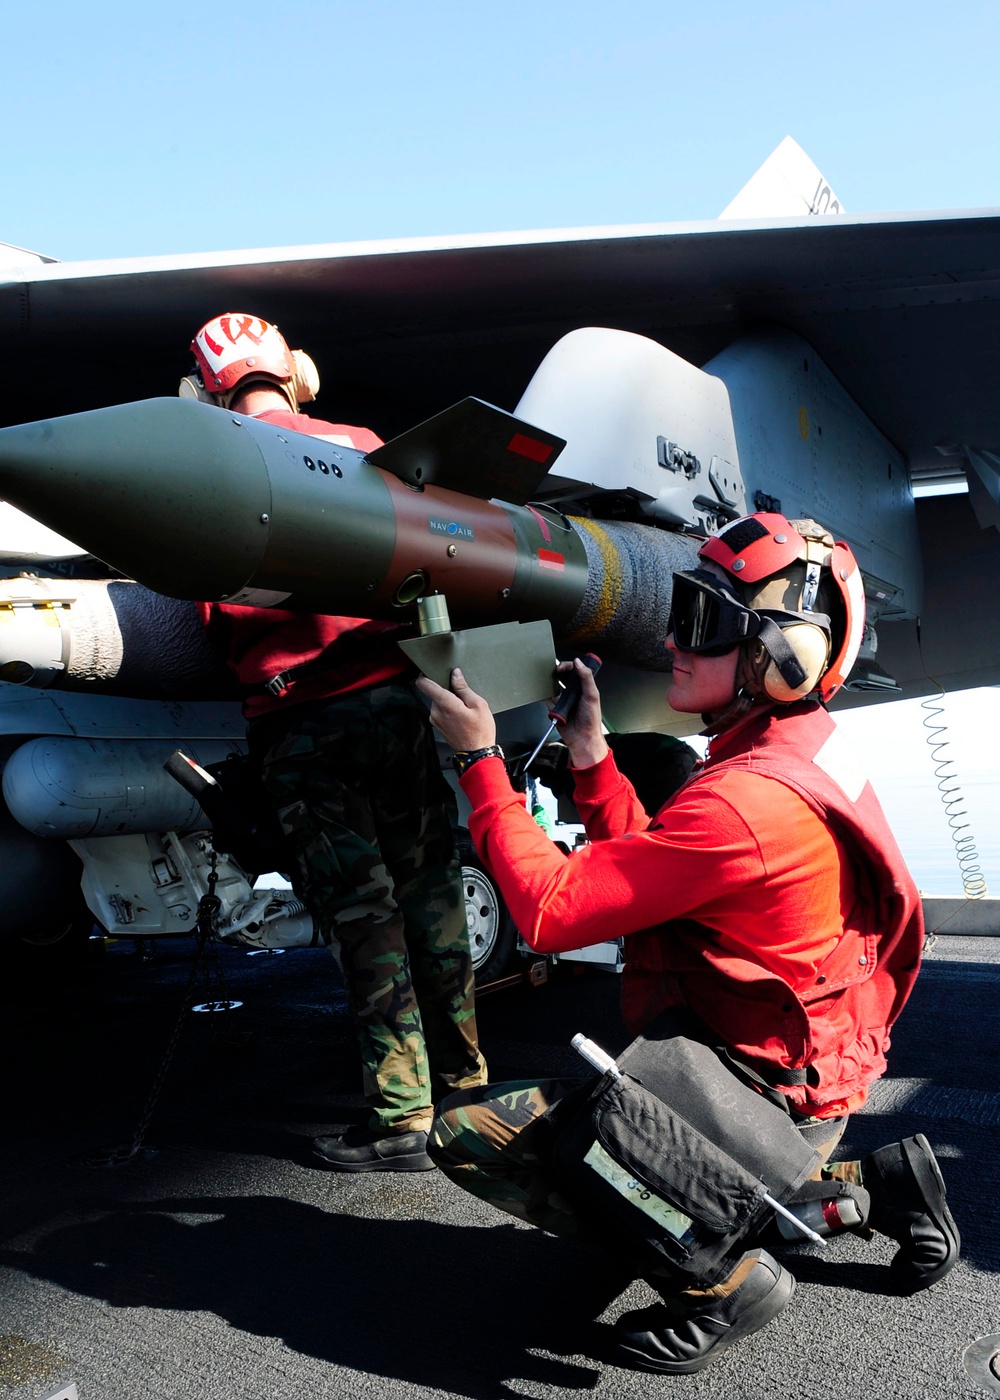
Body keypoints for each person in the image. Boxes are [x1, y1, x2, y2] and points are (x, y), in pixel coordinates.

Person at [416, 511, 959, 1373]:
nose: (673, 640)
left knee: (468, 1135)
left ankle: (721, 1280)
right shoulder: (792, 756)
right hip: (808, 1084)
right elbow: (662, 870)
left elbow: (549, 910)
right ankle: (873, 1186)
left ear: (781, 656)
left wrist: (480, 764)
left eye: (703, 622)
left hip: (758, 1100)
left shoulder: (744, 803)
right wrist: (592, 754)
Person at [185, 312, 487, 1172]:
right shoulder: (361, 444)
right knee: (432, 893)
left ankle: (402, 1118)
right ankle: (466, 1090)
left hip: (302, 729)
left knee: (364, 917)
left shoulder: (207, 466)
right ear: (295, 371)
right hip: (396, 705)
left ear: (207, 391)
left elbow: (212, 623)